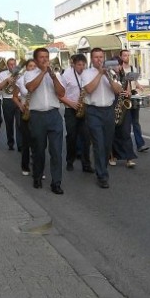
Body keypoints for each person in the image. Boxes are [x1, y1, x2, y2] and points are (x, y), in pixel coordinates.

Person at [24, 48, 65, 195]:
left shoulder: (56, 74)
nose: (45, 60)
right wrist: (43, 72)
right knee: (39, 150)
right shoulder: (29, 74)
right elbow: (31, 87)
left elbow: (61, 93)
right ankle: (37, 176)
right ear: (35, 60)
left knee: (56, 151)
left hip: (54, 115)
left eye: (47, 57)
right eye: (41, 57)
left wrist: (53, 77)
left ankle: (56, 183)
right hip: (37, 116)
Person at [81, 47, 123, 189]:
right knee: (98, 144)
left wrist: (108, 77)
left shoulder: (111, 72)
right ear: (91, 59)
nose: (99, 60)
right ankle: (102, 175)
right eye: (96, 57)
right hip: (93, 111)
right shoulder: (87, 73)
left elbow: (118, 91)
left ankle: (102, 168)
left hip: (108, 111)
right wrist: (99, 74)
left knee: (106, 144)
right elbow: (89, 90)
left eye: (101, 57)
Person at [58, 54, 93, 173]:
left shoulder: (87, 74)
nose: (82, 67)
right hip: (71, 109)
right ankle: (70, 161)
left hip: (84, 108)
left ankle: (86, 164)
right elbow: (60, 95)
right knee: (71, 136)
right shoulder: (66, 75)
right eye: (79, 65)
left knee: (86, 138)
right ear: (73, 64)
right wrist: (71, 103)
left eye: (84, 65)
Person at [110, 57, 137, 168]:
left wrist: (127, 93)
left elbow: (130, 92)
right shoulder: (109, 77)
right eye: (113, 65)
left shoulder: (125, 78)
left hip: (123, 106)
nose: (116, 67)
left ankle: (129, 158)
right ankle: (112, 156)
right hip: (112, 105)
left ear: (121, 66)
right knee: (112, 133)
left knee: (126, 132)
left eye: (118, 65)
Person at [119, 49, 148, 152]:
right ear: (121, 57)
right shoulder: (119, 69)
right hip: (124, 97)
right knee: (125, 123)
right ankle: (124, 146)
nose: (127, 57)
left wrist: (139, 86)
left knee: (135, 121)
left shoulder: (132, 68)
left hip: (133, 95)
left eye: (128, 55)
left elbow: (135, 81)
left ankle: (140, 144)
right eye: (125, 55)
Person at [13, 59, 36, 176]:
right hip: (25, 112)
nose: (32, 68)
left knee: (38, 141)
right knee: (26, 141)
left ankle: (38, 167)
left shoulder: (39, 80)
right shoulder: (21, 80)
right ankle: (25, 166)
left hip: (37, 112)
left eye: (34, 66)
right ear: (26, 68)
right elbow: (15, 97)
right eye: (30, 66)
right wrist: (20, 106)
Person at [0, 58, 21, 151]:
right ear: (7, 66)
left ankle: (20, 145)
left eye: (14, 64)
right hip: (7, 100)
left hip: (18, 99)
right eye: (10, 64)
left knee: (20, 124)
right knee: (9, 123)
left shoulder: (21, 74)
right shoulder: (2, 74)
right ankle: (10, 142)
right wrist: (6, 80)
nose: (12, 66)